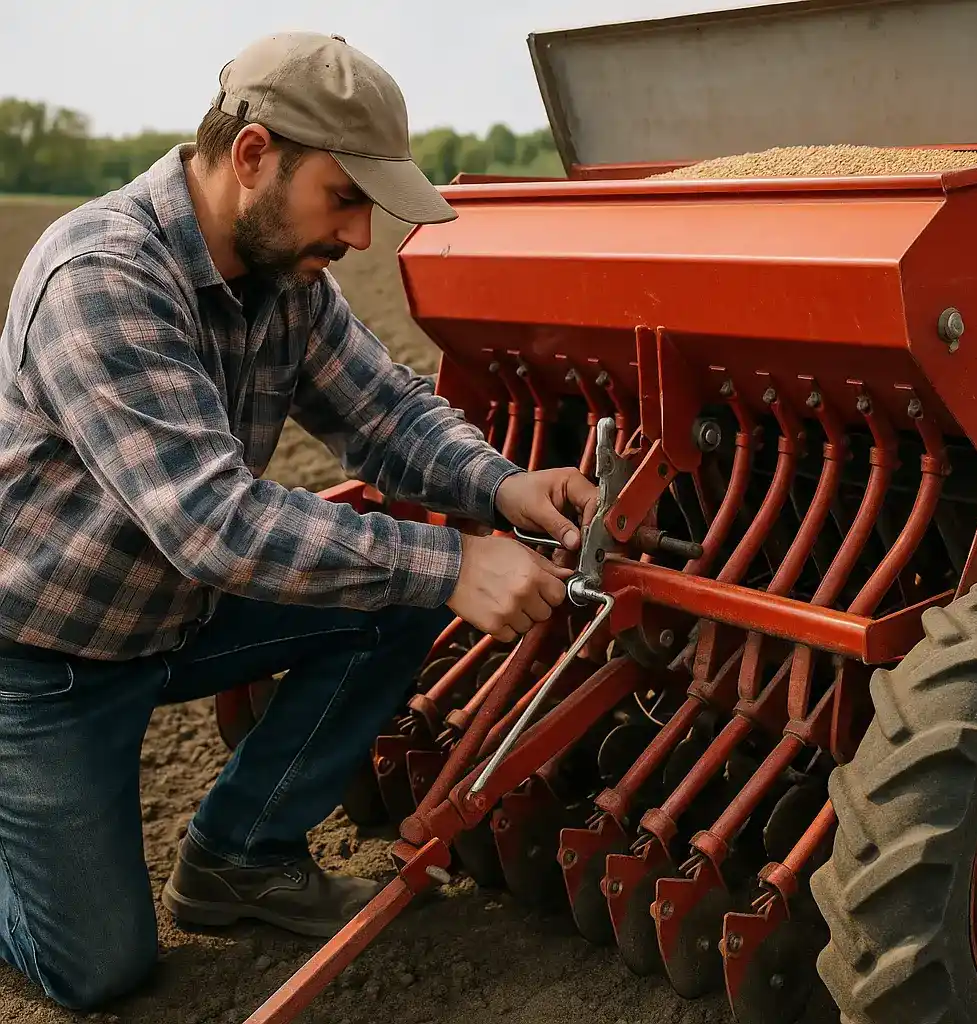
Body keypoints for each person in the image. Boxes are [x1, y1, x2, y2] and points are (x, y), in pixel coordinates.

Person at [0, 31, 598, 1011]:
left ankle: (239, 856)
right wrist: (452, 562)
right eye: (346, 197)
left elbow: (386, 414)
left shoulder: (285, 280)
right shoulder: (102, 279)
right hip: (49, 656)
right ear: (252, 155)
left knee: (391, 598)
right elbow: (212, 523)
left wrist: (502, 487)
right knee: (99, 968)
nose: (359, 236)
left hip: (180, 615)